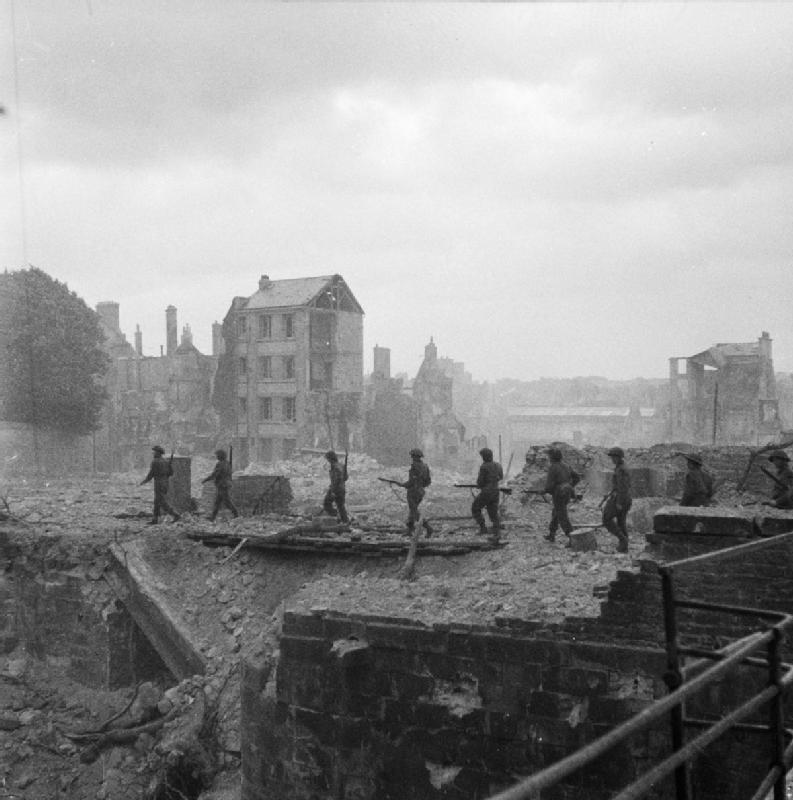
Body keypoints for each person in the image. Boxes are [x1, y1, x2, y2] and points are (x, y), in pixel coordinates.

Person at [543, 447, 580, 543]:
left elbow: (549, 485)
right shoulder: (566, 466)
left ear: (552, 457)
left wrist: (546, 491)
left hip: (559, 494)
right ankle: (552, 534)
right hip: (567, 493)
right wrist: (569, 485)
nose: (548, 458)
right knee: (556, 513)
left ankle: (573, 538)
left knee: (562, 516)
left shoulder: (553, 467)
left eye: (549, 456)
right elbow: (577, 477)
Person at [140, 445, 180, 524]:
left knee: (162, 502)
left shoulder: (155, 462)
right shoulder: (166, 461)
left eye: (154, 452)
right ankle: (155, 519)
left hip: (159, 483)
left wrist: (145, 481)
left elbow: (151, 474)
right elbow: (171, 473)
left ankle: (176, 514)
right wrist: (165, 475)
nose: (153, 453)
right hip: (165, 483)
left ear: (158, 453)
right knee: (157, 502)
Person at [602, 446, 631, 553]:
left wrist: (619, 502)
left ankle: (623, 540)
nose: (612, 459)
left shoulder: (621, 469)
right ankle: (624, 546)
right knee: (621, 522)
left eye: (614, 457)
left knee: (606, 519)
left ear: (619, 457)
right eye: (612, 457)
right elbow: (618, 486)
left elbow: (623, 488)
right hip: (623, 498)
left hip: (621, 498)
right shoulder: (620, 467)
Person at [472, 447, 503, 539]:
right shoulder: (498, 465)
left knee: (475, 508)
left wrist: (481, 485)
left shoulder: (484, 466)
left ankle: (483, 528)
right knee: (493, 512)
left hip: (487, 491)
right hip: (495, 491)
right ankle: (497, 533)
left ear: (484, 457)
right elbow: (500, 477)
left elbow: (480, 482)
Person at [401, 448, 433, 537]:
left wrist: (404, 485)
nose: (411, 457)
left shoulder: (415, 466)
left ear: (414, 456)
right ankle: (410, 530)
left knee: (414, 511)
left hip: (413, 492)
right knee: (412, 510)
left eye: (412, 456)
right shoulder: (425, 466)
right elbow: (428, 481)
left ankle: (428, 528)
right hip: (420, 492)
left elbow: (411, 481)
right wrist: (420, 486)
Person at [202, 448, 239, 521]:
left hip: (222, 485)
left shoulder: (220, 464)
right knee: (217, 502)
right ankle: (213, 517)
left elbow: (215, 474)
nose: (217, 456)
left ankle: (236, 514)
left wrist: (206, 479)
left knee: (227, 502)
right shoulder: (227, 463)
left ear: (221, 456)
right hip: (225, 484)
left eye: (218, 455)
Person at [323, 450, 349, 523]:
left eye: (328, 459)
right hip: (341, 489)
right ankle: (345, 521)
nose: (328, 461)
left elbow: (338, 479)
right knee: (341, 507)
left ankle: (336, 517)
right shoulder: (341, 465)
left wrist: (333, 491)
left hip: (336, 489)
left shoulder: (335, 467)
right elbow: (346, 478)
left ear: (330, 459)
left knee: (327, 504)